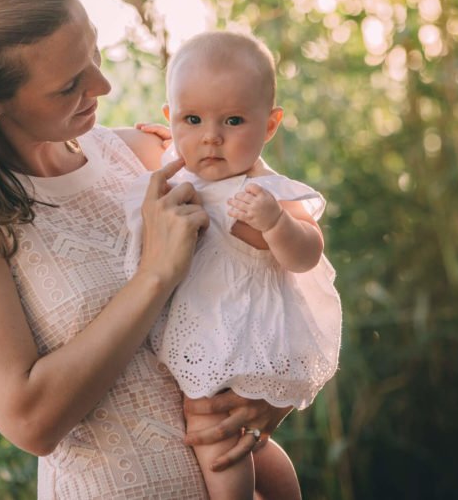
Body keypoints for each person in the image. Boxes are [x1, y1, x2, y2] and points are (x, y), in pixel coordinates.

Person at [0, 0, 301, 499]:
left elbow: (276, 266)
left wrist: (269, 397)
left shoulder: (142, 154)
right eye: (69, 84)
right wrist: (155, 275)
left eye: (94, 52)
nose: (102, 85)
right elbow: (30, 422)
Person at [123, 32, 342, 500]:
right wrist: (173, 141)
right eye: (192, 119)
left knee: (211, 427)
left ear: (270, 125)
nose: (211, 137)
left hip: (237, 335)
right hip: (206, 326)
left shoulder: (266, 191)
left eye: (234, 121)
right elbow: (182, 149)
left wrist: (276, 223)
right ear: (170, 117)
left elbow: (308, 254)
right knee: (250, 442)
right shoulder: (183, 163)